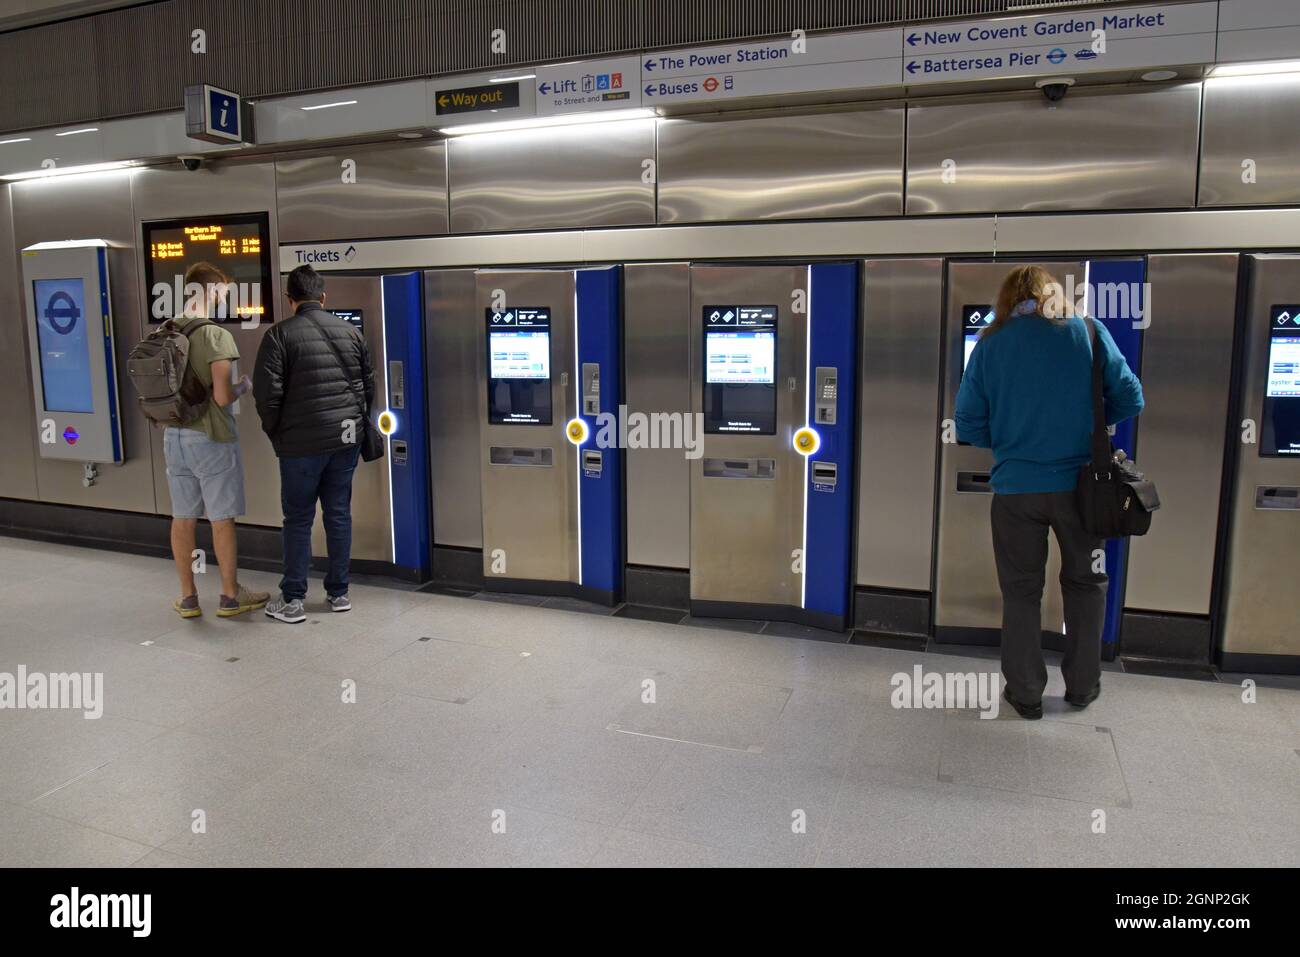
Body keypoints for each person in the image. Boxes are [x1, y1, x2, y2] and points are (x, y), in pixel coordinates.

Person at [955, 265, 1144, 720]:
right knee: (1086, 585)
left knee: (1021, 592)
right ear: (1053, 294)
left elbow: (967, 424)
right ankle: (1083, 686)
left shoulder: (990, 343)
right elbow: (1130, 397)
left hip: (1016, 490)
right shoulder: (1090, 332)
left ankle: (1026, 694)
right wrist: (1093, 428)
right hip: (1084, 490)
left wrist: (1011, 439)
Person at [253, 265, 374, 624]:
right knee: (338, 514)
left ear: (290, 299)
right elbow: (368, 388)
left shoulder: (278, 336)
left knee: (298, 519)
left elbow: (266, 396)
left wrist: (278, 434)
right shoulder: (352, 333)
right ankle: (339, 593)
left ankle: (293, 600)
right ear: (323, 297)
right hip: (345, 439)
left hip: (300, 446)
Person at [163, 261, 269, 619]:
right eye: (223, 293)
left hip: (174, 436)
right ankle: (229, 595)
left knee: (183, 517)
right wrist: (244, 386)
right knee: (221, 517)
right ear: (208, 292)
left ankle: (188, 597)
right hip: (210, 437)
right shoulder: (215, 335)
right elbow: (223, 396)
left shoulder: (167, 328)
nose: (225, 300)